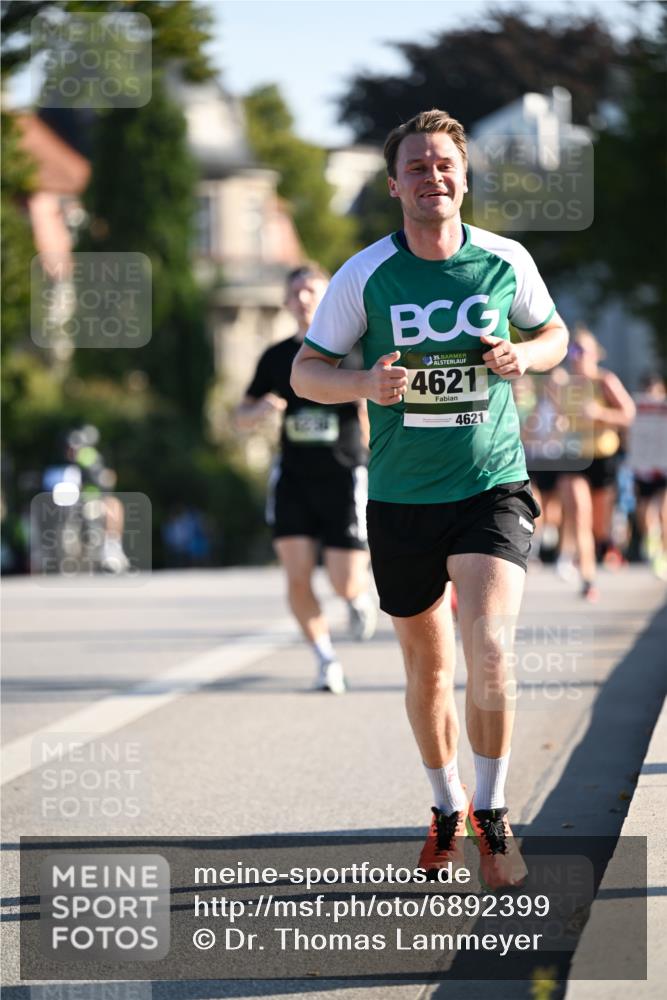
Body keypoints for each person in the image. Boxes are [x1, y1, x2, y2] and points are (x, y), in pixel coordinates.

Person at [291, 110, 569, 888]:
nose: (431, 176)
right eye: (415, 166)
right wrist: (360, 383)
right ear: (393, 185)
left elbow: (553, 335)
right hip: (401, 495)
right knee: (427, 666)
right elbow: (306, 372)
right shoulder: (364, 274)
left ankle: (492, 811)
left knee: (488, 648)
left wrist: (525, 356)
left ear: (463, 176)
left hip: (489, 484)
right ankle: (445, 806)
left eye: (442, 163)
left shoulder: (503, 260)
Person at [235, 263, 377, 695]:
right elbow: (241, 414)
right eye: (295, 292)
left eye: (311, 290)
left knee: (343, 580)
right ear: (285, 301)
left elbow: (378, 408)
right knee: (296, 576)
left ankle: (355, 597)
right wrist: (259, 412)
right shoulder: (277, 357)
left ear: (327, 296)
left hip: (343, 474)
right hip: (294, 477)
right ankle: (325, 660)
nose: (302, 299)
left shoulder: (354, 351)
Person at [558, 327, 635, 601]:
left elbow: (628, 413)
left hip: (604, 458)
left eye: (580, 351)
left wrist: (600, 413)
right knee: (579, 514)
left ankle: (604, 545)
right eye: (571, 351)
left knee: (597, 526)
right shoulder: (562, 385)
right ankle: (588, 579)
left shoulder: (605, 381)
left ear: (594, 355)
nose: (575, 357)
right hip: (574, 458)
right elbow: (554, 420)